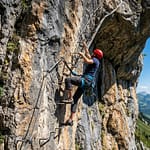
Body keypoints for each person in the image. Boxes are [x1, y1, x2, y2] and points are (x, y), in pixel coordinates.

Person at [64, 42, 103, 126]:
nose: (92, 53)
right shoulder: (96, 61)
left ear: (95, 55)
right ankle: (71, 119)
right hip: (87, 84)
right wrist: (85, 47)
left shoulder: (95, 60)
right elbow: (88, 55)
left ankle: (69, 98)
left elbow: (87, 60)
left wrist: (82, 55)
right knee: (75, 99)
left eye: (94, 53)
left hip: (85, 81)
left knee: (68, 80)